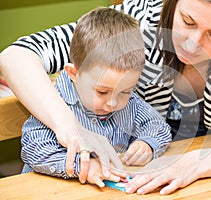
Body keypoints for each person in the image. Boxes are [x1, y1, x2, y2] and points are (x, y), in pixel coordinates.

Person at [0, 0, 211, 195]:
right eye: (188, 21)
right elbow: (16, 56)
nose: (192, 44)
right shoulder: (141, 20)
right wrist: (69, 127)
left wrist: (196, 163)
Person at [20, 7, 171, 188]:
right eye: (102, 92)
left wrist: (147, 144)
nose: (113, 103)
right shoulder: (53, 103)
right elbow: (35, 150)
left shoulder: (130, 103)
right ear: (74, 73)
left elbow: (158, 126)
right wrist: (83, 166)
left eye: (125, 91)